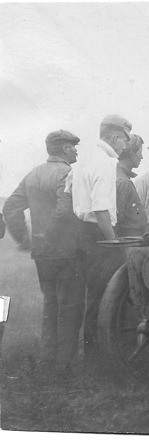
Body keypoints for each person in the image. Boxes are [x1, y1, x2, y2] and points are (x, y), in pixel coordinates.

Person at [3, 130, 85, 373]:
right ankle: (64, 365)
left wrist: (26, 239)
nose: (76, 150)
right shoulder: (67, 173)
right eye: (73, 146)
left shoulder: (33, 175)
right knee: (70, 307)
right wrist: (47, 237)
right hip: (66, 253)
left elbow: (9, 208)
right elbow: (63, 210)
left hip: (42, 255)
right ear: (64, 149)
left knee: (51, 304)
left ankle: (48, 359)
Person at [71, 114, 132, 363]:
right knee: (105, 297)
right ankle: (99, 362)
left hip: (82, 233)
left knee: (94, 296)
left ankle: (93, 358)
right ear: (115, 136)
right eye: (124, 141)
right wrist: (116, 244)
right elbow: (101, 210)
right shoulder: (106, 163)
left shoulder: (84, 159)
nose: (125, 147)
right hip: (99, 235)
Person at [116, 134, 147, 237]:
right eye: (140, 152)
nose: (141, 157)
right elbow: (118, 220)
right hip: (130, 242)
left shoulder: (121, 177)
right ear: (131, 153)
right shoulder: (123, 182)